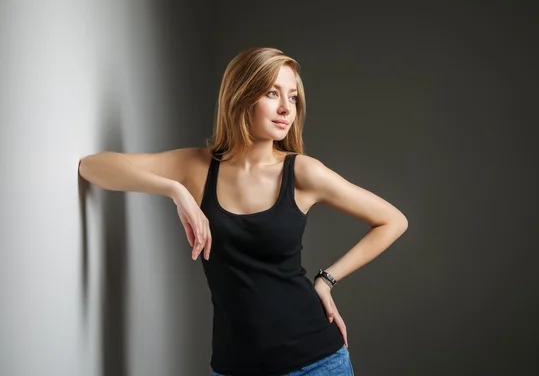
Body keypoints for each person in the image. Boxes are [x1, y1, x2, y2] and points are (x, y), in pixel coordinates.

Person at [79, 47, 408, 375]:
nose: (285, 109)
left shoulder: (302, 172)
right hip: (234, 367)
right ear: (242, 96)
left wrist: (326, 280)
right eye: (272, 93)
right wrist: (175, 190)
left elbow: (392, 221)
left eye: (292, 97)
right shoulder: (196, 168)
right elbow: (93, 167)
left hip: (316, 363)